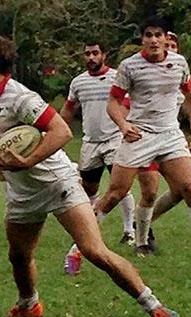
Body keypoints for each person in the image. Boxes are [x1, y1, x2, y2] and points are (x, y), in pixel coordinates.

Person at [0, 32, 179, 317]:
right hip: (23, 192)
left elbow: (61, 131)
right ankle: (29, 304)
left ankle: (154, 305)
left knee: (94, 250)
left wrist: (28, 160)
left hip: (58, 182)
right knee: (18, 255)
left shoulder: (21, 98)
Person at [94, 17, 191, 273]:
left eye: (158, 35)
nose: (153, 39)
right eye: (148, 35)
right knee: (116, 193)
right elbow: (113, 103)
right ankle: (77, 248)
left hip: (170, 134)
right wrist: (123, 125)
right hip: (140, 135)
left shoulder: (179, 63)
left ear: (166, 38)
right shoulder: (130, 66)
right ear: (143, 39)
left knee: (190, 189)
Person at [60, 41, 136, 275]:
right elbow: (68, 109)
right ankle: (90, 230)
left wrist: (126, 126)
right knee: (89, 189)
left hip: (114, 139)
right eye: (87, 54)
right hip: (90, 142)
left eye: (95, 53)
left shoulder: (117, 78)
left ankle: (129, 231)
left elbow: (128, 104)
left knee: (119, 187)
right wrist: (56, 133)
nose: (91, 57)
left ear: (104, 55)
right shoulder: (79, 82)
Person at [133, 31, 183, 254]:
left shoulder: (180, 75)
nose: (169, 49)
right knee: (150, 192)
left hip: (170, 141)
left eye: (173, 46)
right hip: (145, 141)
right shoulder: (142, 75)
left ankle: (143, 221)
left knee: (182, 189)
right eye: (167, 45)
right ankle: (141, 243)